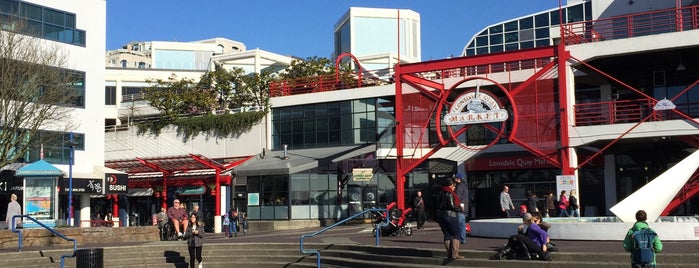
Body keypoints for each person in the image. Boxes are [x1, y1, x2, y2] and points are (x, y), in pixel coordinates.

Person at [434, 178, 464, 259]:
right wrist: (460, 208)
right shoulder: (449, 193)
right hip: (451, 215)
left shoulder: (439, 193)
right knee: (456, 234)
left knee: (447, 234)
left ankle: (449, 253)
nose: (454, 188)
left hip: (441, 216)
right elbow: (451, 206)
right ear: (450, 185)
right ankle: (455, 253)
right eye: (454, 186)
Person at [454, 173, 469, 246]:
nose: (454, 179)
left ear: (458, 179)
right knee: (462, 224)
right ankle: (463, 239)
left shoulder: (459, 187)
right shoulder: (465, 186)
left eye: (455, 178)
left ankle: (460, 239)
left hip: (460, 208)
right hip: (465, 208)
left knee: (459, 225)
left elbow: (457, 198)